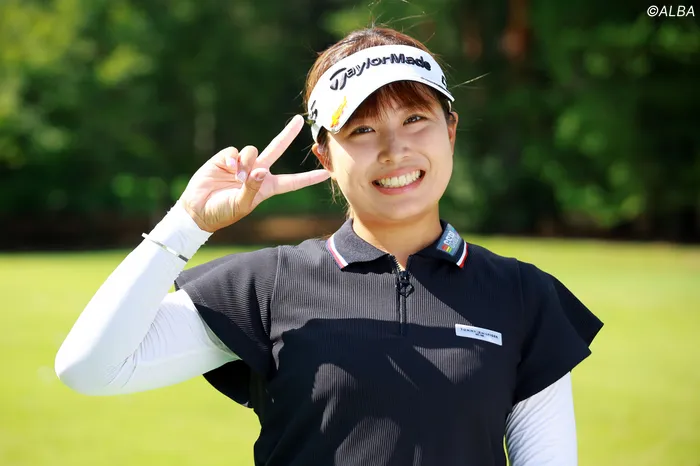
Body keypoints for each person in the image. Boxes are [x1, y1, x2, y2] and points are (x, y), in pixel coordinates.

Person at [55, 27, 603, 466]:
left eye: (415, 119)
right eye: (361, 129)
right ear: (324, 156)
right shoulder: (267, 285)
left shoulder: (522, 294)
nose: (394, 149)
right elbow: (89, 368)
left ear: (451, 131)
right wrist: (187, 223)